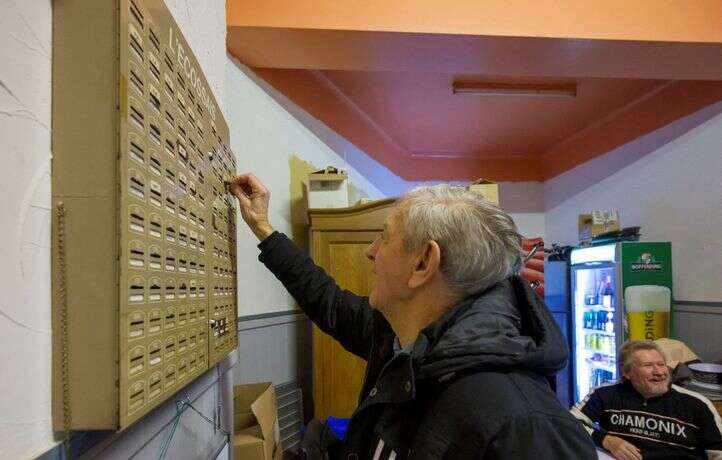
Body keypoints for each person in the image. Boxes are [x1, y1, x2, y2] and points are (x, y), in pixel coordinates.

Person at [230, 173, 596, 459]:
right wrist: (262, 227)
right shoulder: (401, 339)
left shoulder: (522, 425)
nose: (371, 252)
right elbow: (326, 300)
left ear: (423, 263)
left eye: (384, 238)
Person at [571, 340, 722, 460]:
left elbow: (718, 452)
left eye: (661, 365)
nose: (659, 372)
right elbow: (569, 423)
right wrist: (607, 440)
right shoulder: (605, 394)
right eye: (648, 365)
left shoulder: (696, 404)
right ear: (626, 372)